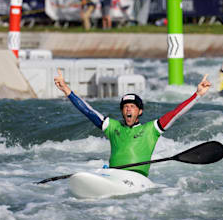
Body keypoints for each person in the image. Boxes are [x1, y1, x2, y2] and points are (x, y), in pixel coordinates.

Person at [53, 70, 211, 177]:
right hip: (114, 176)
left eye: (132, 106)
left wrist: (197, 95)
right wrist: (67, 91)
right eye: (125, 107)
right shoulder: (112, 127)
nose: (128, 109)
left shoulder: (151, 130)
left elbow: (175, 113)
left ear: (139, 111)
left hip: (137, 179)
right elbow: (89, 112)